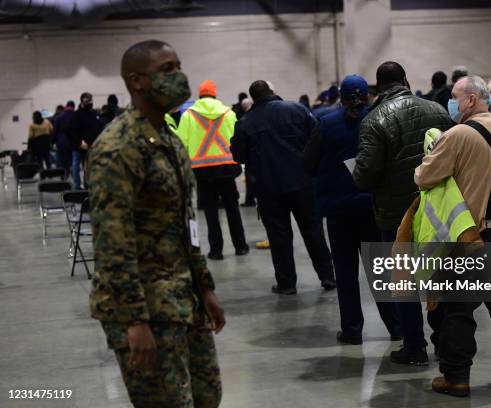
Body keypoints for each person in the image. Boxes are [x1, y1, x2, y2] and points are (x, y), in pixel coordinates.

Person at [86, 40, 224, 408]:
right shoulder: (118, 148)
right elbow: (112, 243)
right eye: (167, 69)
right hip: (144, 308)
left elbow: (186, 224)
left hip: (184, 298)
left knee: (208, 396)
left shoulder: (170, 140)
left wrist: (205, 288)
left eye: (178, 65)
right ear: (137, 81)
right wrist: (134, 321)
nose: (179, 76)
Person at [415, 75, 491, 397]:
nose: (451, 102)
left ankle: (457, 377)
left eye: (454, 96)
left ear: (470, 101)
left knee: (457, 310)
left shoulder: (457, 135)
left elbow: (425, 177)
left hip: (469, 240)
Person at [353, 61, 453, 365]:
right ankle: (446, 340)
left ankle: (415, 347)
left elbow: (363, 177)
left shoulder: (373, 121)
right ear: (405, 80)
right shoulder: (439, 111)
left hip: (398, 216)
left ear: (378, 86)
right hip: (438, 208)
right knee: (439, 277)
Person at [304, 74, 402, 345]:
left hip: (339, 211)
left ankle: (352, 330)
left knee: (345, 274)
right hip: (373, 208)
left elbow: (309, 163)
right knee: (382, 270)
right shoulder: (380, 119)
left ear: (341, 96)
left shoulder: (326, 123)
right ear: (367, 94)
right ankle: (396, 328)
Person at [231, 80, 336, 295]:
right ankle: (327, 276)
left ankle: (287, 284)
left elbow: (238, 155)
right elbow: (317, 139)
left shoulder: (245, 123)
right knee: (313, 231)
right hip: (303, 183)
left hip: (269, 189)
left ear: (253, 99)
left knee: (279, 238)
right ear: (272, 91)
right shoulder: (297, 110)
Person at [177, 79, 249, 260]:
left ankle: (216, 251)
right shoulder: (229, 113)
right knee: (232, 208)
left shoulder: (188, 115)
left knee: (210, 212)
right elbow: (237, 139)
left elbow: (181, 144)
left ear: (200, 95)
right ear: (215, 94)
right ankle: (240, 246)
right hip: (226, 169)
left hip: (202, 171)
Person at [66, 92, 103, 189]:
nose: (90, 102)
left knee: (88, 167)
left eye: (91, 100)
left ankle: (88, 185)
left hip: (91, 146)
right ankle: (77, 186)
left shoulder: (93, 114)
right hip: (79, 146)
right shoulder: (76, 115)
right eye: (88, 101)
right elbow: (70, 131)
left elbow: (98, 128)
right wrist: (79, 142)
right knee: (76, 166)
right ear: (82, 101)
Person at [52, 101, 76, 173]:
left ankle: (65, 176)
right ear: (74, 107)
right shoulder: (76, 116)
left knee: (63, 161)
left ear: (66, 106)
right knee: (73, 161)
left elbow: (55, 131)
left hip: (61, 143)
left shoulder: (58, 117)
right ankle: (73, 176)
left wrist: (53, 141)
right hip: (74, 142)